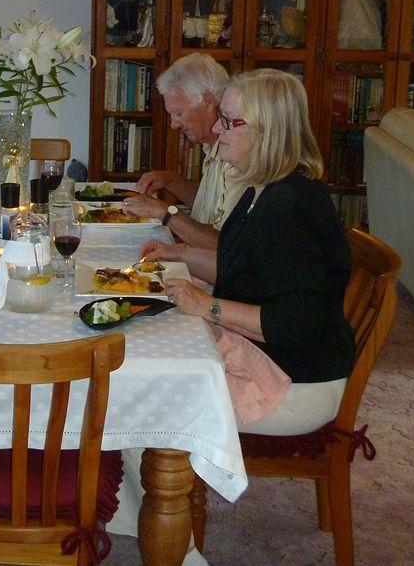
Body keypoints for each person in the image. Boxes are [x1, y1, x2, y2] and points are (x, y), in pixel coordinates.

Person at [112, 70, 355, 557]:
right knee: (138, 373)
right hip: (276, 357)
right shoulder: (264, 189)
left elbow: (297, 324)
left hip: (296, 383)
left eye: (230, 121)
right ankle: (139, 521)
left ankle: (176, 553)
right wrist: (178, 255)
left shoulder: (290, 207)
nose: (217, 131)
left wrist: (210, 306)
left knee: (148, 405)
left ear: (267, 132)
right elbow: (242, 266)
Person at [123, 53, 247, 250]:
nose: (173, 124)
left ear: (208, 101)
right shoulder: (212, 145)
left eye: (178, 113)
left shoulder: (236, 155)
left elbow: (225, 246)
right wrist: (171, 181)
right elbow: (212, 204)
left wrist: (165, 212)